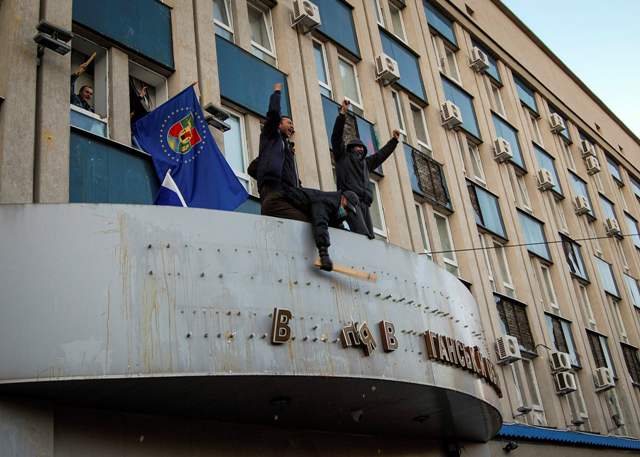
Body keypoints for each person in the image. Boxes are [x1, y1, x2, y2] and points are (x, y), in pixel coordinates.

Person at [331, 99, 401, 239]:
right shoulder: (342, 156)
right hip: (349, 199)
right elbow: (336, 137)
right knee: (361, 234)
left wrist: (394, 141)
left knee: (369, 236)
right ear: (351, 149)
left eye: (362, 148)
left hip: (364, 203)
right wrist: (342, 115)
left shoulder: (366, 163)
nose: (360, 150)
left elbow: (381, 155)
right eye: (357, 147)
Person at [254, 83, 308, 222]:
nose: (292, 126)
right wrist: (277, 93)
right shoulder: (272, 137)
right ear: (279, 124)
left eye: (293, 124)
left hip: (288, 195)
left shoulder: (285, 148)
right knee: (303, 222)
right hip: (275, 194)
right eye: (289, 123)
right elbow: (273, 115)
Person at [287, 188, 362, 271]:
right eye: (346, 208)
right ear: (343, 199)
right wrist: (324, 255)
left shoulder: (337, 208)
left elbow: (334, 223)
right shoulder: (326, 201)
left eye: (348, 210)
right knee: (307, 222)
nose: (346, 212)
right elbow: (320, 223)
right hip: (286, 200)